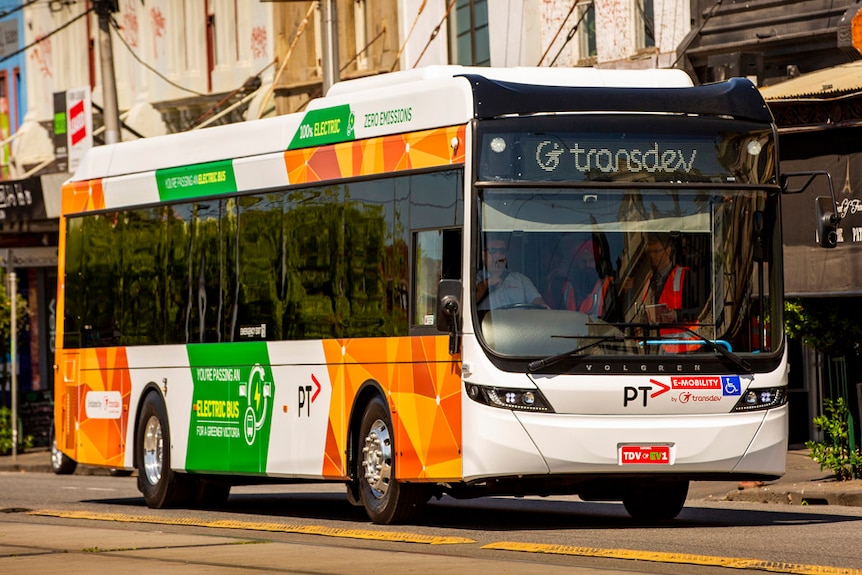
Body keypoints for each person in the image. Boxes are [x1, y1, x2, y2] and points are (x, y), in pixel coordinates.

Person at [641, 233, 699, 350]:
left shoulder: (685, 275)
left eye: (656, 251)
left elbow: (701, 310)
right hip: (655, 350)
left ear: (668, 251)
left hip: (685, 350)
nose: (652, 256)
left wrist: (676, 315)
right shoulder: (648, 281)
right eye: (650, 252)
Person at [543, 237, 613, 316]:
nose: (587, 265)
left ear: (598, 263)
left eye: (591, 260)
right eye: (583, 261)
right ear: (578, 263)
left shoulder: (608, 286)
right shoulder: (566, 288)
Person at [476, 236, 548, 310]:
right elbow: (469, 301)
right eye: (493, 251)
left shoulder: (520, 279)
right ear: (483, 255)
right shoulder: (476, 280)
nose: (498, 255)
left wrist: (541, 305)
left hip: (519, 321)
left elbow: (536, 299)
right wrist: (486, 284)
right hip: (488, 321)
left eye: (502, 251)